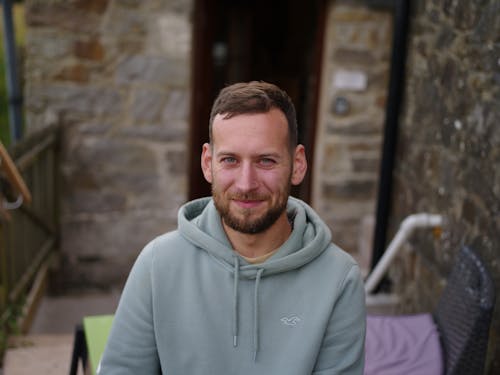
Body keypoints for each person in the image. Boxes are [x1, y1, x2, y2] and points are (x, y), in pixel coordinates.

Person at [99, 81, 366, 374]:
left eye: (266, 160)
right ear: (207, 163)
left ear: (298, 165)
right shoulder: (157, 263)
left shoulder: (339, 278)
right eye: (230, 160)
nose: (246, 184)